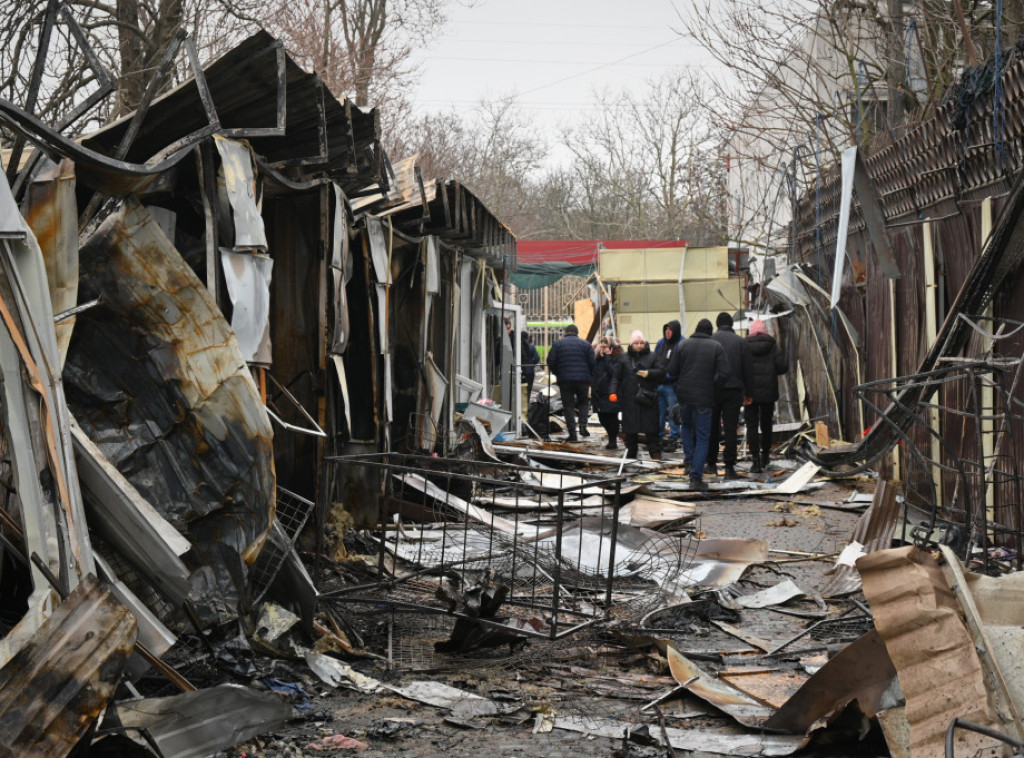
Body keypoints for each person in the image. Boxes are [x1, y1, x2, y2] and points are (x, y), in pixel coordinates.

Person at [669, 319, 728, 490]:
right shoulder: (716, 347)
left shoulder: (682, 345)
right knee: (703, 437)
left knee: (686, 427)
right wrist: (713, 385)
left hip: (684, 396)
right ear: (710, 332)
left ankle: (689, 462)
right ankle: (696, 477)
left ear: (696, 329)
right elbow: (725, 373)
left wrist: (680, 384)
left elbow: (672, 370)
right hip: (705, 397)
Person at [707, 312, 754, 481]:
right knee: (730, 429)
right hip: (734, 390)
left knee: (712, 427)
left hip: (713, 390)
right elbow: (748, 369)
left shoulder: (710, 340)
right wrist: (749, 393)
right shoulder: (741, 342)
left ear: (717, 324)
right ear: (732, 324)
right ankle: (729, 467)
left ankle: (711, 464)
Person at [609, 331, 665, 460]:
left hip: (648, 399)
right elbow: (616, 377)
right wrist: (612, 391)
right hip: (630, 400)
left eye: (641, 343)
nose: (639, 345)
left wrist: (649, 373)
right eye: (636, 343)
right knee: (630, 431)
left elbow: (662, 372)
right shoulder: (624, 358)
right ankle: (631, 455)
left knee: (652, 431)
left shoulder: (652, 356)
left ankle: (655, 455)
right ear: (631, 344)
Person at [745, 318, 788, 472]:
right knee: (766, 425)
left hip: (750, 393)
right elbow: (782, 367)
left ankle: (755, 461)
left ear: (750, 331)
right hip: (768, 392)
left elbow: (740, 367)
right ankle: (765, 457)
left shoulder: (744, 346)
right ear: (764, 331)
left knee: (751, 425)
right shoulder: (772, 345)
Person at [546, 323, 596, 442]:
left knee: (568, 406)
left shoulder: (558, 344)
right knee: (583, 403)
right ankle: (583, 426)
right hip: (583, 380)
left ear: (566, 333)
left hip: (565, 381)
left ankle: (572, 434)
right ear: (577, 333)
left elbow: (550, 361)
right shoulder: (586, 345)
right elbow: (593, 363)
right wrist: (589, 376)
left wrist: (558, 373)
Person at [654, 320, 683, 451]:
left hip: (671, 385)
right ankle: (659, 437)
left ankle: (673, 438)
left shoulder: (681, 343)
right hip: (659, 383)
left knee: (673, 413)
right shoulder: (661, 343)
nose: (668, 332)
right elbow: (655, 359)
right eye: (666, 330)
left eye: (670, 330)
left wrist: (669, 377)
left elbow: (680, 366)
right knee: (659, 413)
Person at [591, 337, 622, 449]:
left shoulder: (618, 359)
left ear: (612, 348)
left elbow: (614, 373)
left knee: (611, 418)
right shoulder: (599, 358)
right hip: (599, 394)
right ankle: (611, 437)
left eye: (605, 347)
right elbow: (595, 373)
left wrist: (608, 357)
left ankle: (612, 440)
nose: (602, 349)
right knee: (602, 418)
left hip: (611, 393)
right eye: (602, 347)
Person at [520, 328, 540, 401]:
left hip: (520, 370)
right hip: (530, 371)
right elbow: (537, 358)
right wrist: (532, 364)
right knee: (528, 388)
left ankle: (520, 402)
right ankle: (527, 402)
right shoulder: (531, 346)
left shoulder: (518, 347)